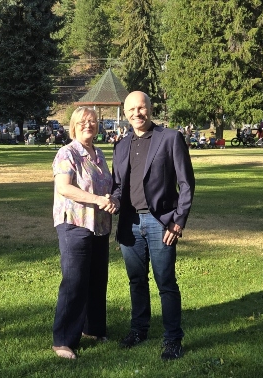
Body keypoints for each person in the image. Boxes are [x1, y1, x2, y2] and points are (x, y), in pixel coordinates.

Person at [111, 91, 195, 361]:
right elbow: (119, 186)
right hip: (130, 223)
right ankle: (139, 330)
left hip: (161, 223)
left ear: (150, 108)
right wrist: (111, 200)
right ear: (125, 114)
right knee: (136, 281)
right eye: (131, 109)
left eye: (141, 108)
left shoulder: (170, 138)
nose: (137, 113)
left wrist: (178, 222)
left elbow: (186, 184)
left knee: (165, 282)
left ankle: (172, 339)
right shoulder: (121, 145)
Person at [51, 107, 118, 360]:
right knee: (75, 281)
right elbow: (64, 188)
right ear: (74, 126)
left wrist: (109, 199)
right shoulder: (67, 153)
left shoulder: (98, 154)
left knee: (97, 279)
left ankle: (93, 329)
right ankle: (63, 341)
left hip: (99, 225)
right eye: (83, 122)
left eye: (93, 122)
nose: (88, 125)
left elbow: (106, 186)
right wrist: (97, 199)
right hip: (75, 224)